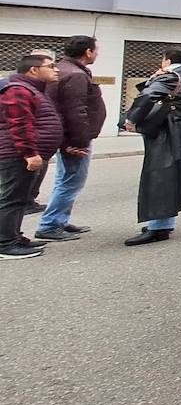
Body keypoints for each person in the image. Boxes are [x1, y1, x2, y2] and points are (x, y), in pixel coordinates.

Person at [123, 49, 181, 246]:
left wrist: (131, 119)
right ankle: (164, 222)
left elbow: (148, 95)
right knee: (171, 177)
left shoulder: (171, 76)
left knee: (159, 178)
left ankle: (157, 227)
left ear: (167, 60)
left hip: (166, 131)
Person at [34, 36, 105, 241]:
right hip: (75, 138)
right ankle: (50, 224)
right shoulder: (75, 74)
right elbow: (76, 111)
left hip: (67, 136)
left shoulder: (65, 69)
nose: (97, 54)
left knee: (65, 179)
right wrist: (78, 142)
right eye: (95, 50)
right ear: (88, 52)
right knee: (72, 181)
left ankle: (60, 220)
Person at [0, 54, 62, 260]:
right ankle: (5, 243)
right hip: (16, 155)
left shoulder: (33, 90)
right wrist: (30, 153)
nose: (56, 69)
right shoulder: (18, 90)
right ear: (33, 70)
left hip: (24, 154)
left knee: (20, 199)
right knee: (12, 199)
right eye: (51, 66)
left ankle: (14, 237)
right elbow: (19, 124)